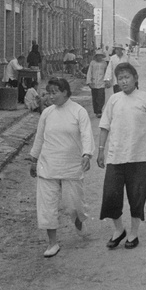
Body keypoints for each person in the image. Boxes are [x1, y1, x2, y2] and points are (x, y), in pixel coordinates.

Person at [97, 62, 146, 250]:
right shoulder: (114, 100)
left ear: (135, 78)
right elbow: (104, 126)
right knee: (110, 196)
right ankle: (119, 230)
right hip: (115, 156)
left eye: (127, 77)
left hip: (138, 157)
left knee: (137, 196)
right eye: (120, 78)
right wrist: (101, 150)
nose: (123, 81)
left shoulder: (145, 98)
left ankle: (133, 233)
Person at [29, 77, 95, 258]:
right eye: (48, 93)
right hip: (47, 165)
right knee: (47, 206)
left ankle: (78, 220)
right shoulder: (47, 113)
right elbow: (40, 138)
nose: (50, 96)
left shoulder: (78, 112)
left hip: (71, 165)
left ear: (65, 92)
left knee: (73, 205)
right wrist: (33, 159)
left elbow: (87, 135)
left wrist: (87, 154)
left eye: (54, 92)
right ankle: (52, 243)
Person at [86, 49, 107, 117]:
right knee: (95, 97)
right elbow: (89, 72)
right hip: (94, 82)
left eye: (100, 56)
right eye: (98, 56)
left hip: (102, 82)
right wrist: (89, 81)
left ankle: (99, 110)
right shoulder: (92, 63)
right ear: (96, 56)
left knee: (101, 97)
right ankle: (96, 111)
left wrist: (107, 80)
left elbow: (106, 73)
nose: (99, 57)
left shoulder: (104, 63)